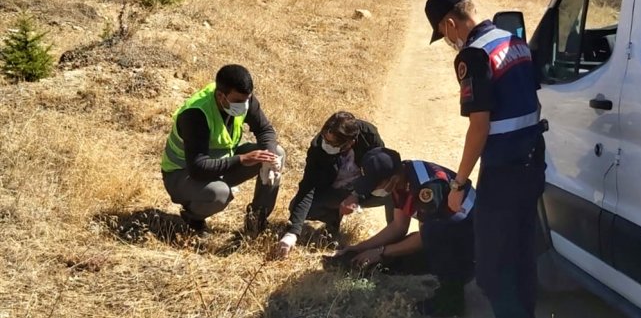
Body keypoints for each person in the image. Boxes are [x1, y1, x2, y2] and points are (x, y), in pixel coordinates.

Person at [424, 0, 548, 317]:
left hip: (504, 170)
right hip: (533, 160)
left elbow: (479, 128)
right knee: (523, 253)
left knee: (493, 267)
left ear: (450, 23)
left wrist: (458, 184)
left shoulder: (473, 55)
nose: (447, 41)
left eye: (442, 33)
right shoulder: (514, 41)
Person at [331, 147, 476, 317]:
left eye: (374, 184)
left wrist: (381, 252)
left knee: (431, 235)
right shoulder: (401, 178)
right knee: (395, 261)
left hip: (473, 236)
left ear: (392, 179)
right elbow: (398, 227)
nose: (372, 190)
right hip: (451, 233)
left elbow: (426, 238)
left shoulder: (425, 187)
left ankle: (450, 302)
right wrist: (360, 248)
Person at [160, 64, 286, 234]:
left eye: (247, 99)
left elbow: (265, 130)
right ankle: (193, 217)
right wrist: (242, 160)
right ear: (221, 96)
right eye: (239, 101)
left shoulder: (243, 98)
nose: (244, 106)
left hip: (220, 163)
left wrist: (270, 159)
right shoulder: (195, 114)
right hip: (183, 174)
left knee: (276, 153)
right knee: (219, 193)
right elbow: (198, 168)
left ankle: (256, 220)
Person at [276, 111, 392, 257]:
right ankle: (333, 220)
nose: (327, 144)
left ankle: (393, 236)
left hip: (367, 189)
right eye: (325, 138)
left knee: (393, 191)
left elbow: (381, 169)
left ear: (351, 141)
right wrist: (292, 233)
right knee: (297, 207)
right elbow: (308, 187)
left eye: (333, 143)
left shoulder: (368, 135)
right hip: (337, 190)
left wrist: (356, 195)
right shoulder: (318, 147)